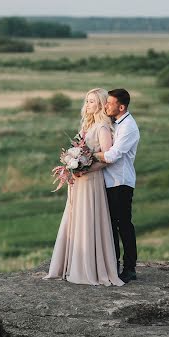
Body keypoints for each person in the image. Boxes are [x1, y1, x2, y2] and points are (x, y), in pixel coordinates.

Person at [44, 88, 124, 286]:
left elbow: (107, 158)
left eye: (91, 102)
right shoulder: (86, 126)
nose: (87, 105)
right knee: (75, 219)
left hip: (91, 182)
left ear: (100, 105)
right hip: (78, 182)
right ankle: (70, 264)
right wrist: (72, 162)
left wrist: (85, 169)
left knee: (88, 220)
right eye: (86, 101)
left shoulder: (103, 128)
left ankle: (87, 268)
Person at [95, 88, 140, 283]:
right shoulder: (115, 123)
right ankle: (113, 266)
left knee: (124, 225)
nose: (106, 105)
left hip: (121, 182)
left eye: (110, 103)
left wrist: (86, 156)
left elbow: (112, 156)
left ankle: (129, 268)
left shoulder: (129, 126)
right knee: (111, 225)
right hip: (109, 181)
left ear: (121, 107)